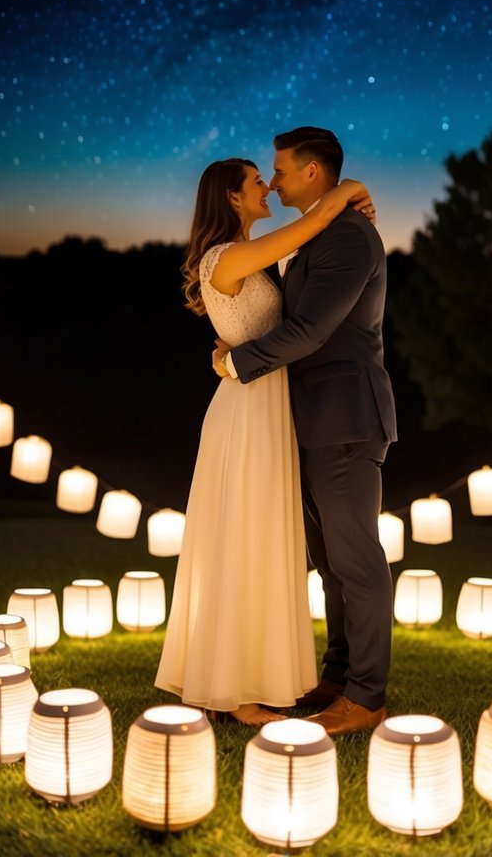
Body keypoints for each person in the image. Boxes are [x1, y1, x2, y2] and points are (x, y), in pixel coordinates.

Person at [154, 156, 376, 725]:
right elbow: (312, 223)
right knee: (245, 538)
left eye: (272, 174)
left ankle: (252, 677)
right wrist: (352, 188)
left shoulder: (253, 258)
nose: (269, 185)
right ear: (231, 197)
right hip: (248, 406)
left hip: (269, 404)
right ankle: (240, 695)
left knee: (265, 540)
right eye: (258, 180)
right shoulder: (227, 256)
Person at [213, 127, 397, 737]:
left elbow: (313, 330)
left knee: (356, 558)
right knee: (330, 561)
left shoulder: (347, 236)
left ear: (313, 172)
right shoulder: (323, 228)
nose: (274, 180)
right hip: (311, 421)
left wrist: (235, 362)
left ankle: (367, 696)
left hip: (345, 416)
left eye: (282, 170)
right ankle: (340, 677)